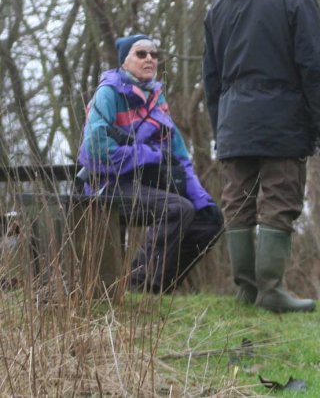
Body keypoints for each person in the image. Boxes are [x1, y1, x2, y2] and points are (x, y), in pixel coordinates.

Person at [203, 0, 320, 313]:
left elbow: (211, 76)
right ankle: (270, 290)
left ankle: (246, 290)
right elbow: (315, 65)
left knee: (238, 200)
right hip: (283, 119)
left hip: (233, 120)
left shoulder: (219, 4)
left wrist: (220, 126)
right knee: (279, 199)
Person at [78, 34, 223, 294]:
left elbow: (179, 155)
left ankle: (159, 286)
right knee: (177, 209)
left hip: (147, 185)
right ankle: (138, 283)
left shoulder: (157, 99)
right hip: (108, 185)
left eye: (154, 55)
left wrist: (201, 198)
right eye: (141, 53)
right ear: (124, 60)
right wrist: (147, 155)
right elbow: (95, 151)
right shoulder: (107, 94)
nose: (149, 59)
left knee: (209, 220)